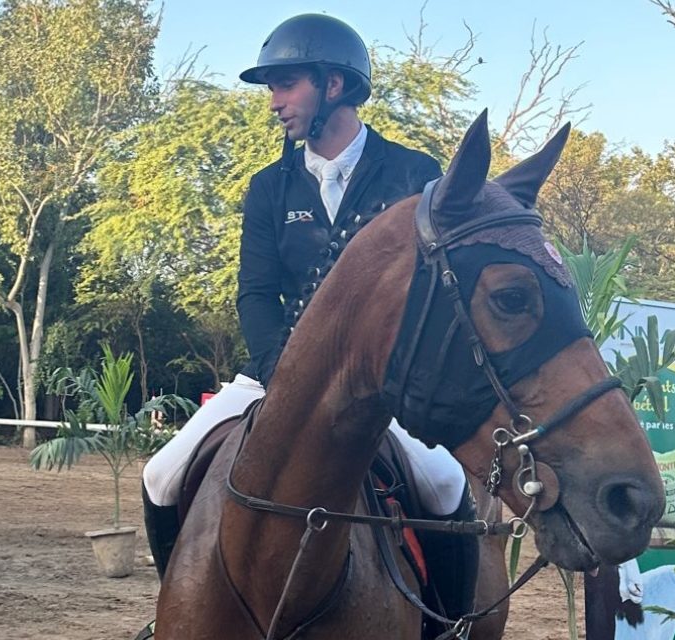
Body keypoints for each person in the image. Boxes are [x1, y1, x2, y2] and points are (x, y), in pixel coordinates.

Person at [139, 12, 479, 625]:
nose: (274, 103)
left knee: (446, 485)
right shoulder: (268, 188)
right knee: (161, 475)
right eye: (271, 89)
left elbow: (434, 294)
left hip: (382, 386)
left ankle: (446, 625)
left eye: (285, 85)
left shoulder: (413, 175)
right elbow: (256, 292)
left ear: (333, 85)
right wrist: (284, 373)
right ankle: (177, 611)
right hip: (273, 374)